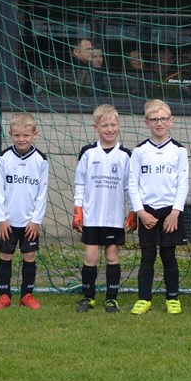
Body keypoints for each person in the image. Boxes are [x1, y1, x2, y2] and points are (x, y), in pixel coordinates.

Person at [127, 99, 190, 315]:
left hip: (170, 212)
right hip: (148, 212)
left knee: (168, 256)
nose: (159, 123)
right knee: (147, 257)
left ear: (171, 120)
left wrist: (175, 213)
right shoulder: (140, 151)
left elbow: (183, 184)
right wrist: (141, 212)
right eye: (154, 119)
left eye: (163, 119)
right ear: (146, 122)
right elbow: (132, 184)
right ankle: (144, 298)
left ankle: (172, 298)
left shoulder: (179, 151)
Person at [72, 104, 136, 314]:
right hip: (91, 216)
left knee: (112, 257)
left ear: (119, 125)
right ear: (96, 127)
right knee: (90, 257)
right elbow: (80, 182)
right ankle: (88, 297)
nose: (109, 129)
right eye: (105, 125)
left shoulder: (126, 155)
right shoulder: (88, 152)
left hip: (113, 217)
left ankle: (111, 299)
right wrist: (78, 208)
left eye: (113, 125)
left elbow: (129, 187)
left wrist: (132, 211)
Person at [0, 112, 49, 310]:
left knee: (29, 256)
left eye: (26, 135)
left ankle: (26, 295)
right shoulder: (3, 158)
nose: (21, 139)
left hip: (29, 222)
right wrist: (1, 219)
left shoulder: (41, 160)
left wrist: (36, 220)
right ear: (10, 134)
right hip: (7, 221)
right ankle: (4, 295)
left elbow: (42, 192)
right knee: (5, 255)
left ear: (35, 134)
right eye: (17, 135)